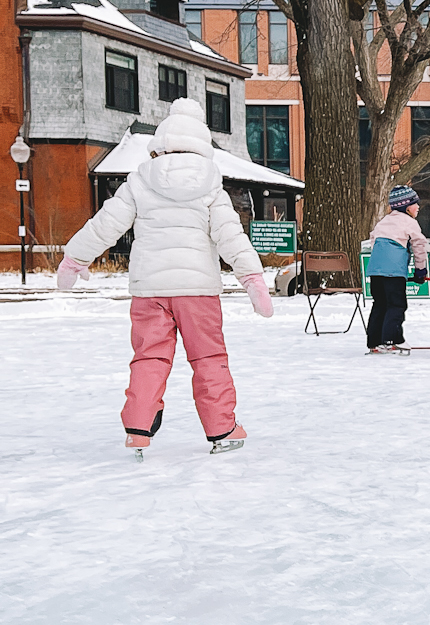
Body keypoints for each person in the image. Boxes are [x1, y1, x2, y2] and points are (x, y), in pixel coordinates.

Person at [55, 96, 272, 454]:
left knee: (149, 358)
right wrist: (251, 277)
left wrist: (75, 259)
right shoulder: (211, 185)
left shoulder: (139, 181)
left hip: (150, 290)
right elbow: (230, 235)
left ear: (160, 145)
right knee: (208, 359)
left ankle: (138, 428)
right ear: (202, 146)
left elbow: (105, 225)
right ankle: (222, 429)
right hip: (198, 293)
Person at [364, 185, 430, 350]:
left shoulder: (383, 221)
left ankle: (374, 341)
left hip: (375, 270)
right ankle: (393, 340)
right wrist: (420, 269)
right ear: (407, 207)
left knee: (380, 303)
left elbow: (374, 240)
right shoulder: (410, 222)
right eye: (416, 204)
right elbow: (419, 245)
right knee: (396, 305)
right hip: (394, 272)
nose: (418, 207)